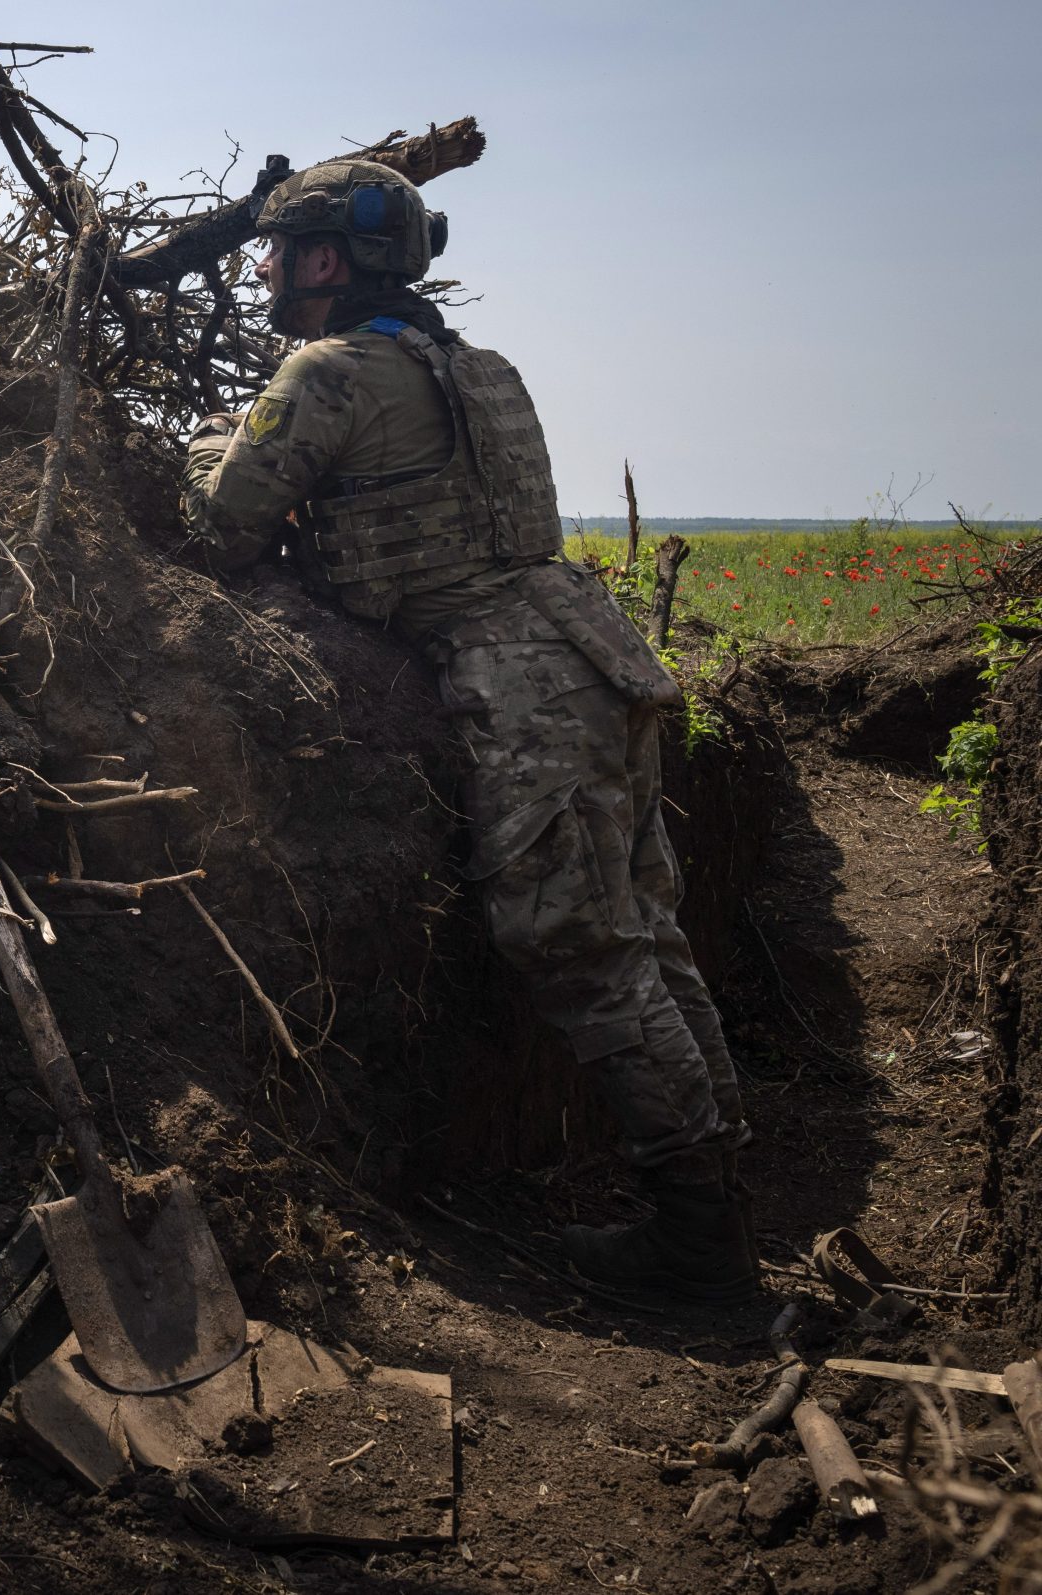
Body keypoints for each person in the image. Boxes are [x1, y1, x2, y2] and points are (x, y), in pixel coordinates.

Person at [177, 162, 757, 1302]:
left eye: (277, 250)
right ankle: (720, 1208)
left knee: (580, 947)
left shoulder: (329, 370)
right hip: (591, 655)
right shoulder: (476, 365)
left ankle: (702, 1250)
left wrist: (204, 442)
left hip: (524, 686)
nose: (261, 270)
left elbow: (217, 522)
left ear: (326, 262)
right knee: (644, 934)